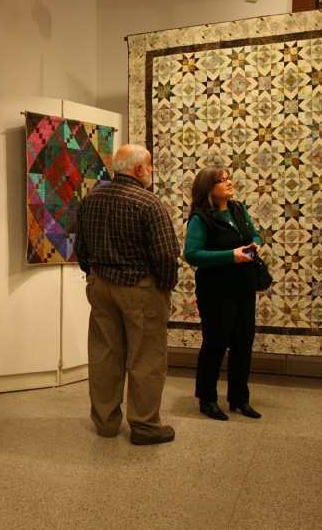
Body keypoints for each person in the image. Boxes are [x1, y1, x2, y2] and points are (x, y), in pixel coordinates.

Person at [74, 143, 180, 445]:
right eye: (149, 166)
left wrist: (95, 274)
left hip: (100, 286)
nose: (150, 171)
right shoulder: (148, 203)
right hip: (140, 290)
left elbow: (80, 248)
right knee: (146, 359)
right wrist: (163, 289)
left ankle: (106, 424)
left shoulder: (91, 199)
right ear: (138, 170)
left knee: (105, 355)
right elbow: (166, 257)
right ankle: (145, 427)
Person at [184, 166, 263, 421]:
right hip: (216, 291)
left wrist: (256, 246)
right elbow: (193, 255)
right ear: (209, 188)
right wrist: (232, 255)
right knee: (215, 345)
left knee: (243, 344)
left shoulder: (238, 208)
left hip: (244, 287)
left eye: (229, 178)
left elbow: (255, 235)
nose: (229, 183)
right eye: (222, 180)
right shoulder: (200, 218)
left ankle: (240, 398)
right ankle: (207, 399)